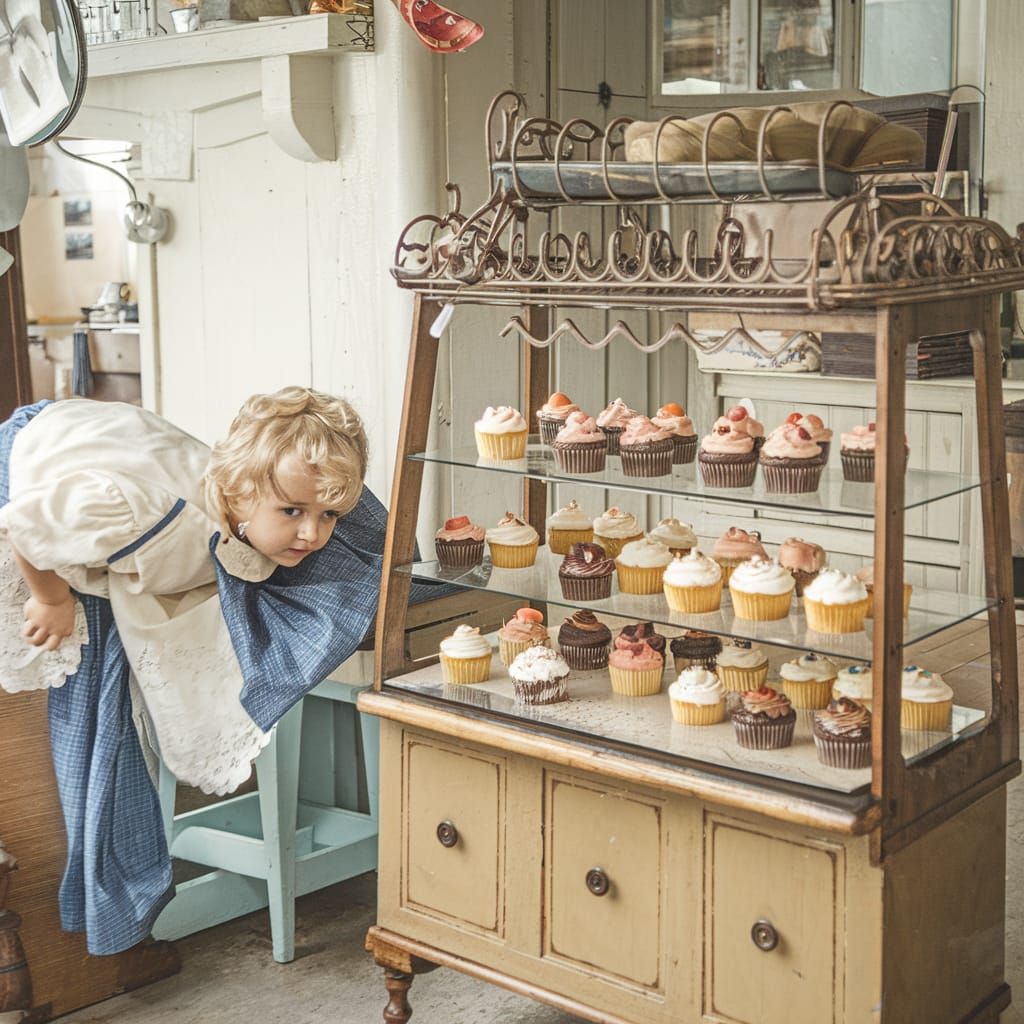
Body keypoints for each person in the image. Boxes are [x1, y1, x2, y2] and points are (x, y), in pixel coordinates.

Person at [0, 388, 412, 956]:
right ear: (240, 494)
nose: (313, 535)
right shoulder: (146, 513)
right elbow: (23, 525)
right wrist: (50, 598)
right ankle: (111, 892)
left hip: (107, 446)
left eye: (329, 516)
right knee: (88, 679)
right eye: (292, 512)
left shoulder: (250, 507)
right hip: (35, 457)